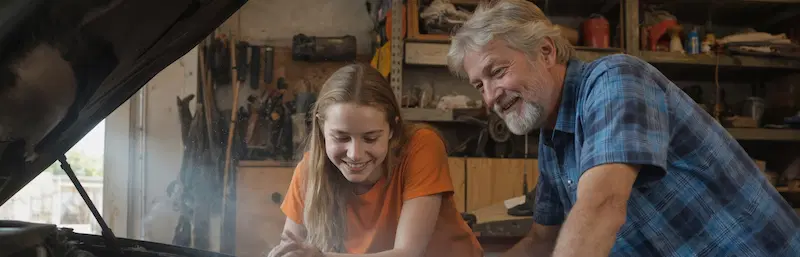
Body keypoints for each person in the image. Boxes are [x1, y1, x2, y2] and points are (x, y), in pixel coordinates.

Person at [446, 0, 800, 256]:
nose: (490, 98)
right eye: (479, 85)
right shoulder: (553, 138)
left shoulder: (615, 80)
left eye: (497, 71)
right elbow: (543, 240)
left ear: (546, 52)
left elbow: (603, 204)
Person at [267, 63, 483, 257]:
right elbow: (291, 248)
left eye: (370, 138)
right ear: (321, 128)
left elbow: (407, 254)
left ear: (392, 129)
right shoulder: (309, 170)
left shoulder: (422, 146)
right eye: (341, 137)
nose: (355, 154)